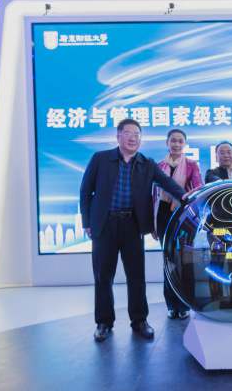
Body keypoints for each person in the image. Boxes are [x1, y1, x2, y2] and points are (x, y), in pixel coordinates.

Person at [80, 119, 186, 342]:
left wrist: (185, 196)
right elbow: (85, 191)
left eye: (137, 134)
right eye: (128, 133)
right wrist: (87, 222)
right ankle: (103, 322)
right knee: (103, 276)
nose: (133, 138)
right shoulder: (101, 159)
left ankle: (139, 321)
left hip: (132, 225)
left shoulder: (146, 163)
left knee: (136, 276)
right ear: (118, 136)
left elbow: (167, 183)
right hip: (105, 225)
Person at [153, 129, 203, 320]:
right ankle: (171, 305)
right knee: (168, 260)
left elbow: (198, 190)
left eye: (180, 141)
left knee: (184, 260)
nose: (176, 144)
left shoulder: (191, 165)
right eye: (173, 140)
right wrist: (152, 223)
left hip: (184, 216)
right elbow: (153, 195)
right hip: (163, 215)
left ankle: (183, 305)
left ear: (185, 144)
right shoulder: (158, 166)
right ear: (167, 143)